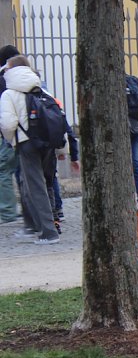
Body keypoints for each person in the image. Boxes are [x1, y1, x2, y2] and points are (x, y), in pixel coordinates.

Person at [0, 56, 62, 244]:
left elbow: (8, 123)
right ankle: (32, 225)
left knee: (35, 187)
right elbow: (58, 115)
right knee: (34, 184)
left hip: (26, 143)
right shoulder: (41, 89)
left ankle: (48, 232)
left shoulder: (9, 94)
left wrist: (11, 141)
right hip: (47, 142)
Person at [0, 44, 21, 223]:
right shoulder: (31, 76)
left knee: (4, 169)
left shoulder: (4, 79)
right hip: (30, 132)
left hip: (11, 132)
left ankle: (7, 211)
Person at [126, 74, 138, 200]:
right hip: (136, 127)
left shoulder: (117, 83)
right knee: (136, 164)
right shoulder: (132, 81)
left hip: (127, 126)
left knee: (134, 164)